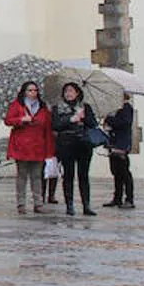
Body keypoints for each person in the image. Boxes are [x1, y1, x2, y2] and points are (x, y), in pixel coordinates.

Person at [4, 81, 53, 215]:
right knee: (22, 175)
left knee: (37, 176)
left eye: (35, 90)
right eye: (30, 90)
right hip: (22, 145)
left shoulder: (43, 108)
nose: (33, 93)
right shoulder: (17, 105)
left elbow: (47, 129)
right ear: (24, 92)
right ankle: (21, 203)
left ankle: (38, 203)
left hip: (38, 146)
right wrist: (21, 120)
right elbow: (8, 120)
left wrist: (49, 151)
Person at [51, 82, 98, 217]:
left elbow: (93, 124)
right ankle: (69, 205)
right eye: (66, 91)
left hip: (84, 144)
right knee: (68, 175)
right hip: (66, 144)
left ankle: (86, 205)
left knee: (83, 175)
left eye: (71, 91)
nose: (68, 93)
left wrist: (84, 117)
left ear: (77, 93)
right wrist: (71, 119)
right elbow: (55, 125)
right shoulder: (58, 108)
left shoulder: (85, 107)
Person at [104, 93, 135, 209]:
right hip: (113, 143)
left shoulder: (126, 108)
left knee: (124, 172)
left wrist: (110, 119)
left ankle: (129, 199)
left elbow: (124, 123)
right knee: (115, 172)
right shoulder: (115, 109)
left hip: (121, 144)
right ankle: (117, 198)